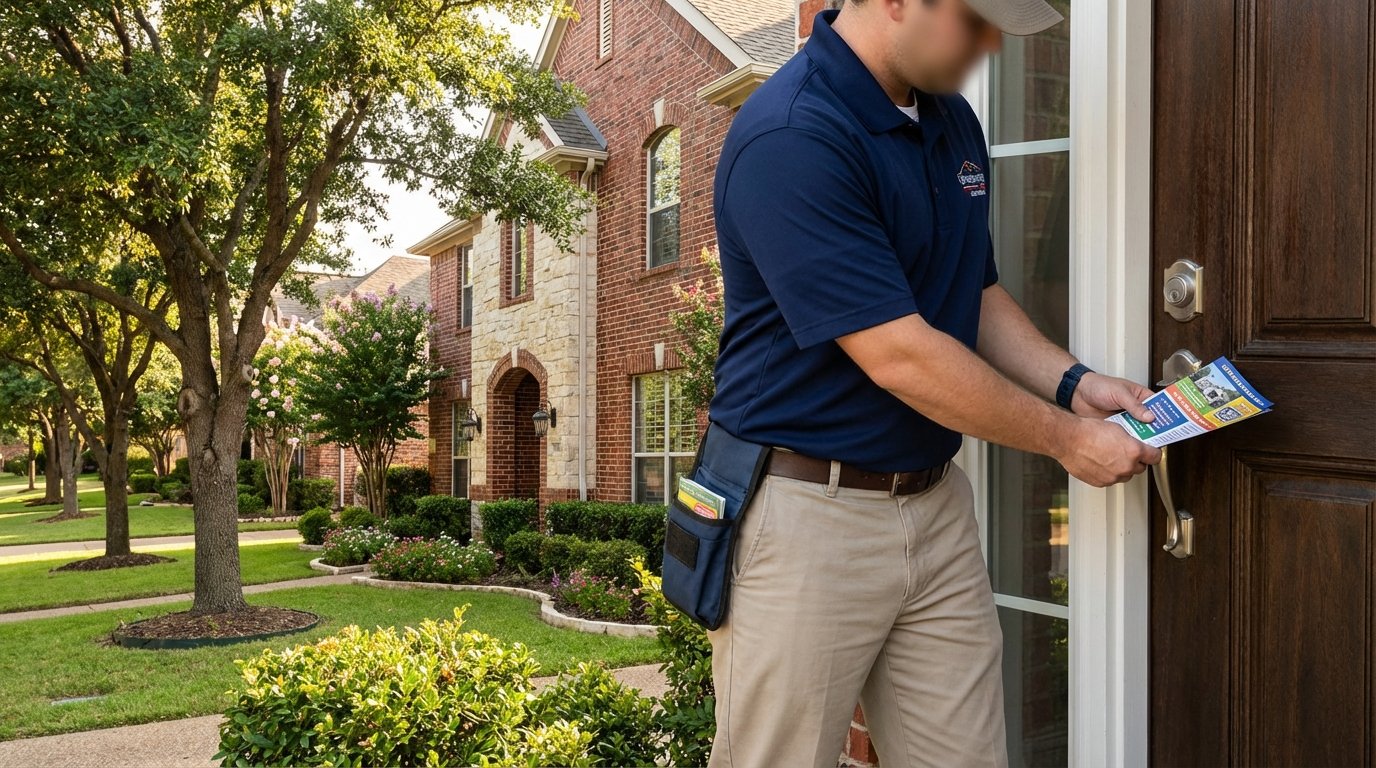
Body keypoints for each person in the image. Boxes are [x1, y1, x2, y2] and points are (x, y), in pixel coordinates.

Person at [704, 0, 1162, 766]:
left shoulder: (949, 119)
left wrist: (1073, 385)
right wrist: (1067, 441)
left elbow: (973, 292)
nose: (990, 45)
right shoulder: (791, 133)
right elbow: (900, 354)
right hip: (806, 515)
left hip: (935, 505)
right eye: (974, 20)